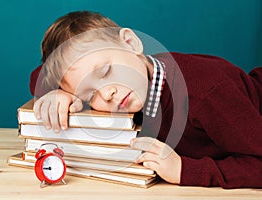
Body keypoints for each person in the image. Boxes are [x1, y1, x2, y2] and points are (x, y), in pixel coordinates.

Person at [29, 11, 262, 188]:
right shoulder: (129, 83)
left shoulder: (206, 94)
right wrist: (59, 93)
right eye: (89, 95)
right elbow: (38, 76)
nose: (106, 93)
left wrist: (185, 170)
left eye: (105, 72)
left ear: (130, 43)